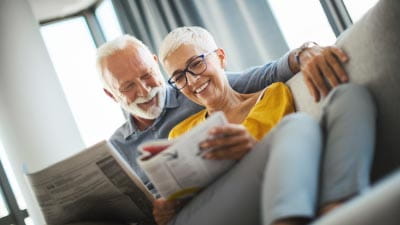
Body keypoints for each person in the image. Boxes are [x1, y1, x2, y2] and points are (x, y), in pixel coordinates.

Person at [95, 31, 350, 223]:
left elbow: (269, 74)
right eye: (127, 87)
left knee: (344, 102)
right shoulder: (116, 147)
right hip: (178, 215)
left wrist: (305, 52)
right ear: (111, 95)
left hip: (231, 195)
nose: (144, 90)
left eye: (147, 75)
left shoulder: (199, 89)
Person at [151, 26, 376, 225]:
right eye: (179, 78)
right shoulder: (179, 133)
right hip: (208, 211)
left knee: (351, 96)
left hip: (269, 194)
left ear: (220, 57)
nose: (191, 81)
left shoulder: (272, 95)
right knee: (296, 125)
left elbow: (286, 159)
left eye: (196, 64)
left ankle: (336, 212)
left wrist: (251, 149)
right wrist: (168, 208)